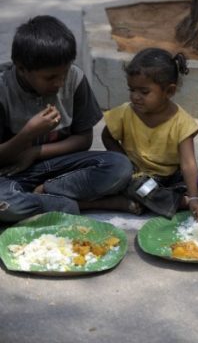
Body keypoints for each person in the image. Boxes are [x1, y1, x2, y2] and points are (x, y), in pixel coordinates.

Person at [0, 15, 133, 222]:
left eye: (64, 73)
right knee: (6, 205)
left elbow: (84, 139)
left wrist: (36, 152)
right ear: (22, 68)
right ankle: (75, 204)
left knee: (120, 166)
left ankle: (46, 194)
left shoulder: (75, 79)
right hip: (12, 173)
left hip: (60, 169)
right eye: (50, 77)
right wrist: (28, 134)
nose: (60, 82)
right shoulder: (3, 90)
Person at [102, 48, 198, 222]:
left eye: (144, 92)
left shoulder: (182, 122)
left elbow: (188, 163)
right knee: (138, 187)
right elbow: (107, 136)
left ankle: (181, 200)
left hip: (171, 177)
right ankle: (180, 203)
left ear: (169, 91)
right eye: (132, 90)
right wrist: (125, 161)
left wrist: (195, 196)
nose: (136, 97)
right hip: (138, 177)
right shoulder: (125, 112)